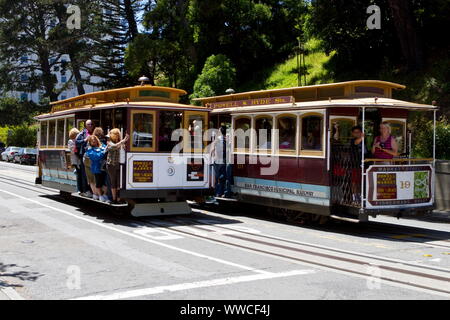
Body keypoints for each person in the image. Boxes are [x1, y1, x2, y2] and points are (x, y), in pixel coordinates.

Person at [106, 129, 129, 204]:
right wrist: (123, 141)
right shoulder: (109, 142)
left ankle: (119, 198)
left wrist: (123, 144)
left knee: (120, 182)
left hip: (119, 165)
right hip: (111, 165)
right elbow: (114, 147)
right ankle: (114, 199)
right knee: (113, 182)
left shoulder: (120, 143)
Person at [85, 135, 109, 203]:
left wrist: (104, 149)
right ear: (90, 142)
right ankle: (100, 196)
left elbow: (106, 148)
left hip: (104, 167)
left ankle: (104, 194)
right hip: (96, 168)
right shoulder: (89, 150)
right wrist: (103, 152)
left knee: (106, 182)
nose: (94, 142)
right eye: (92, 141)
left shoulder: (102, 145)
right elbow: (96, 157)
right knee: (98, 183)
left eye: (95, 140)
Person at [210, 125, 232, 198]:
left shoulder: (217, 140)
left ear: (220, 131)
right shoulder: (227, 140)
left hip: (217, 160)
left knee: (217, 177)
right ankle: (222, 192)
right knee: (223, 177)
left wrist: (211, 156)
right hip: (225, 160)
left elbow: (212, 150)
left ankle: (217, 193)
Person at [75, 120, 95, 197]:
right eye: (89, 124)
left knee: (92, 174)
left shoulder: (94, 132)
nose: (90, 125)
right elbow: (77, 143)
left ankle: (92, 190)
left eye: (91, 124)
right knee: (85, 174)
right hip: (84, 157)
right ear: (85, 126)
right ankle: (86, 190)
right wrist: (85, 140)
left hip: (94, 157)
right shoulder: (82, 134)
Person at [350, 125, 368, 205]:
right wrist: (362, 137)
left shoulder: (364, 141)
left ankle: (360, 197)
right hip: (355, 164)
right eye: (355, 132)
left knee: (361, 182)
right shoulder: (353, 140)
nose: (357, 134)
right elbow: (356, 142)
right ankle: (354, 198)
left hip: (363, 164)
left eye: (359, 132)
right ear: (353, 134)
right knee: (354, 182)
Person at [68, 128, 82, 194]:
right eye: (77, 134)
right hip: (76, 160)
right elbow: (73, 151)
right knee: (79, 175)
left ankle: (80, 188)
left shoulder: (76, 140)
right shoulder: (71, 141)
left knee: (79, 174)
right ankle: (79, 188)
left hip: (78, 160)